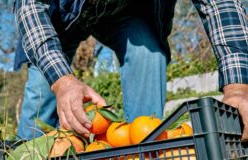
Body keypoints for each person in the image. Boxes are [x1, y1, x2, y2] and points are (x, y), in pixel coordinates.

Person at [13, 0, 248, 141]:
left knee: (148, 54)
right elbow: (29, 7)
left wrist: (238, 88)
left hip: (125, 11)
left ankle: (142, 147)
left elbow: (221, 5)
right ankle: (27, 147)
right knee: (42, 88)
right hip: (61, 17)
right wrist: (62, 81)